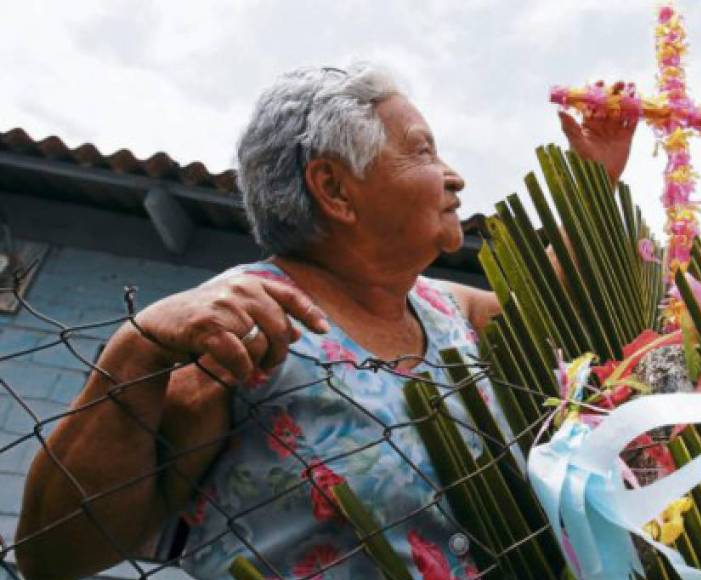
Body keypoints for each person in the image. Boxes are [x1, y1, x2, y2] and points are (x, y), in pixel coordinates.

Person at [15, 63, 637, 579]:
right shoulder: (243, 325)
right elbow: (55, 553)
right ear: (336, 190)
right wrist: (135, 349)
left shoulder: (448, 312)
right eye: (422, 150)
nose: (454, 176)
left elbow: (546, 301)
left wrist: (593, 178)